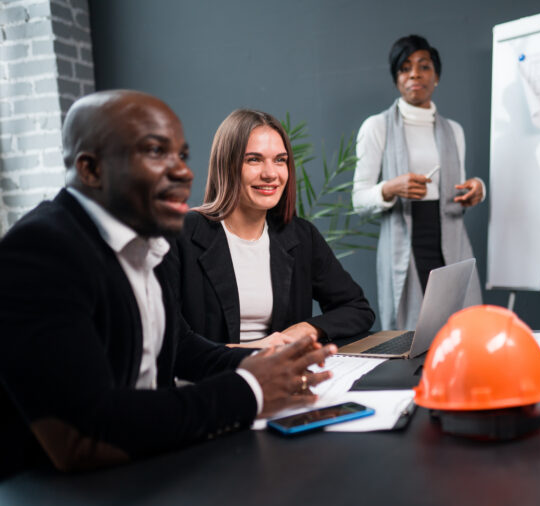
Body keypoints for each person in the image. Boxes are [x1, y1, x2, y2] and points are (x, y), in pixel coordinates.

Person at [0, 91, 336, 478]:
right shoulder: (40, 253)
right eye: (156, 152)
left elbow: (178, 347)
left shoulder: (145, 242)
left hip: (152, 459)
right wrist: (251, 389)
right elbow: (84, 435)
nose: (183, 172)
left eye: (181, 155)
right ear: (90, 169)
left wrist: (269, 365)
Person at [169, 109, 375, 348]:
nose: (270, 174)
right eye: (253, 159)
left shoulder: (299, 235)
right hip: (212, 379)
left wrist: (304, 329)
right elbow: (167, 340)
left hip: (282, 380)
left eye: (280, 160)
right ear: (226, 165)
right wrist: (253, 351)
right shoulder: (182, 234)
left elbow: (357, 308)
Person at [352, 34, 484, 330]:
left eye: (423, 66)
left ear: (436, 76)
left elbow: (456, 192)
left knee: (460, 331)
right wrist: (389, 187)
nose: (414, 74)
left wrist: (476, 190)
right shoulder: (377, 126)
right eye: (405, 67)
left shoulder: (454, 131)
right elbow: (358, 199)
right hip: (405, 243)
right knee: (412, 337)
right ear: (397, 78)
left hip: (451, 241)